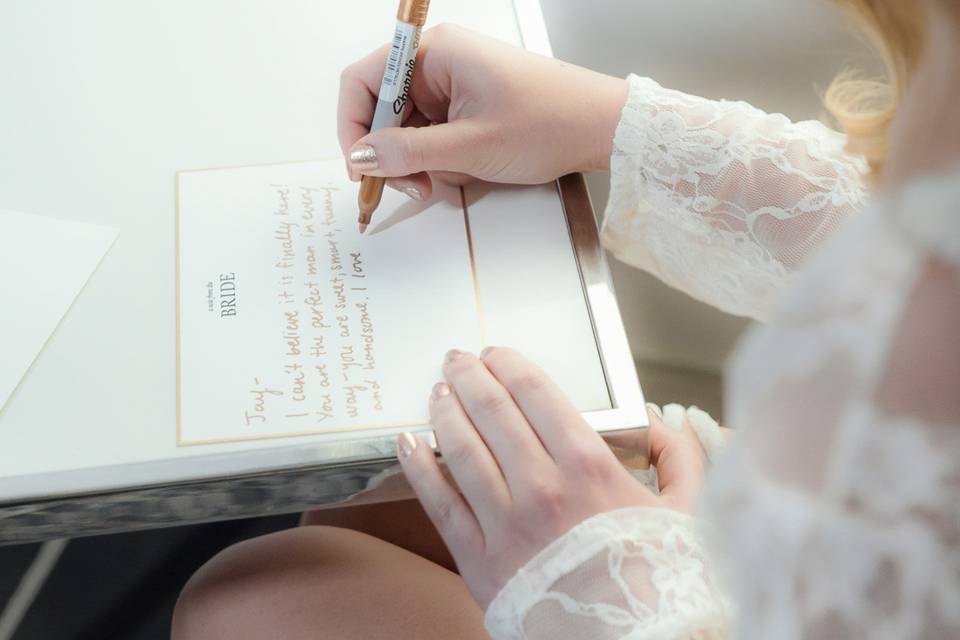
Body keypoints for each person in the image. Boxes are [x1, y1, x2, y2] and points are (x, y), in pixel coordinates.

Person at [172, 1, 959, 637]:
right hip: (836, 503)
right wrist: (613, 124)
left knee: (254, 601)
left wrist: (640, 602)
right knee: (373, 503)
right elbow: (912, 238)